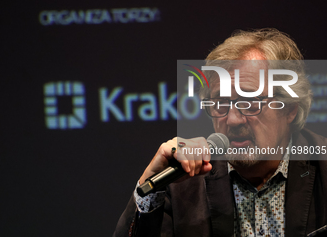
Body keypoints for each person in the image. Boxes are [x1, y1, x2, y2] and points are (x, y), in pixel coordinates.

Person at [113, 29, 327, 237]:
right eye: (221, 104)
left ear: (290, 109)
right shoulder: (182, 180)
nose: (233, 119)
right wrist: (150, 186)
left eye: (250, 102)